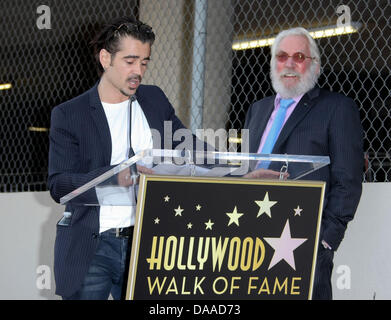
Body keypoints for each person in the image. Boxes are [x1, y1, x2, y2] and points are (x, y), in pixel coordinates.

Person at [48, 17, 188, 299]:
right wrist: (116, 176)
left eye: (145, 62)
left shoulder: (154, 99)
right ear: (105, 58)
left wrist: (239, 170)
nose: (139, 71)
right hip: (93, 246)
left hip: (148, 243)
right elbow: (59, 185)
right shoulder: (69, 114)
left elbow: (188, 147)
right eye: (130, 61)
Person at [243, 27, 363, 299]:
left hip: (300, 242)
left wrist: (326, 240)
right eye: (281, 56)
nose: (289, 63)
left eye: (299, 56)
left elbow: (348, 182)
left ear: (315, 66)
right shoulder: (258, 109)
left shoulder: (337, 108)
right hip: (249, 238)